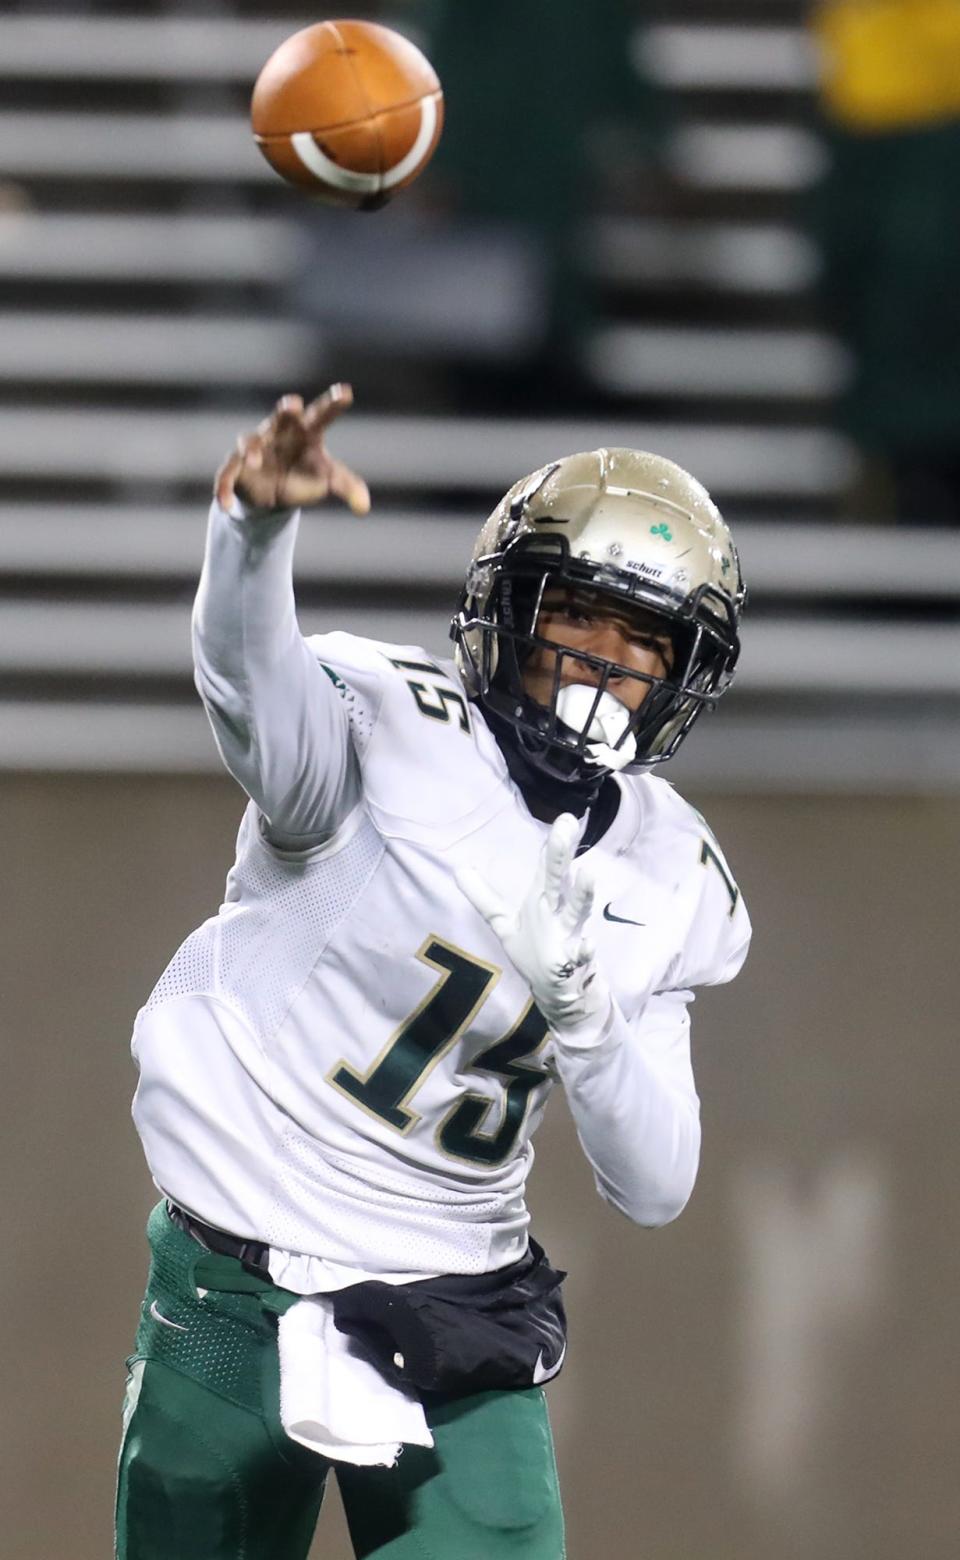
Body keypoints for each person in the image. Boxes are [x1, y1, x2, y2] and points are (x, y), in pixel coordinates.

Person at [116, 384, 750, 1560]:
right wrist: (252, 530)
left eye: (646, 641)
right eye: (581, 616)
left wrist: (590, 1017)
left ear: (684, 677)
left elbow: (655, 1183)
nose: (606, 664)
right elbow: (248, 692)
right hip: (236, 1265)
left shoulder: (672, 874)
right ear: (508, 610)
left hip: (454, 1299)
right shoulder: (386, 727)